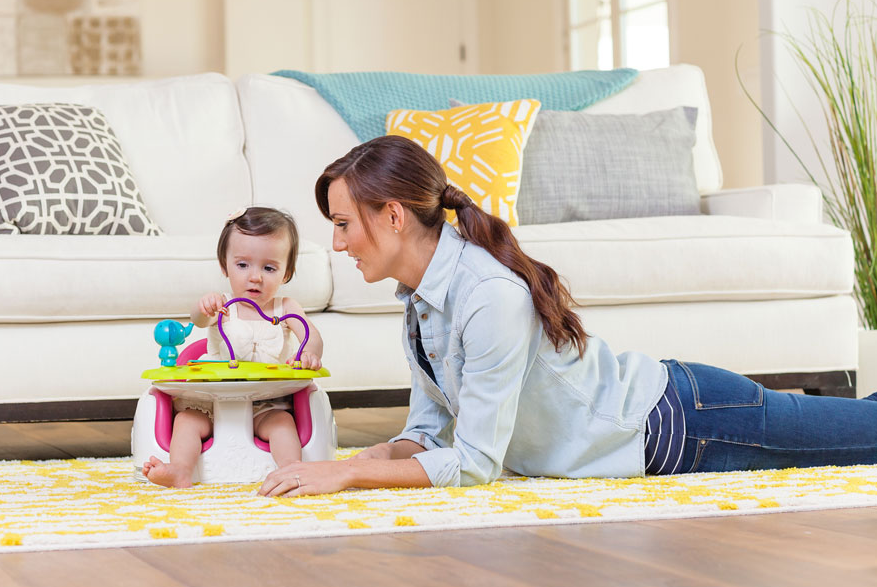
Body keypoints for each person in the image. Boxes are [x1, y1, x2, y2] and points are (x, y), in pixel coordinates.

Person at [258, 135, 877, 497]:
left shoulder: (487, 296)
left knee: (864, 437)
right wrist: (366, 459)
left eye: (343, 225)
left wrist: (347, 477)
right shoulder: (420, 303)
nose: (337, 244)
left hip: (682, 423)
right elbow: (430, 430)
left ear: (393, 216)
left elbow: (475, 464)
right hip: (673, 412)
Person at [144, 206, 324, 488]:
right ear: (224, 264)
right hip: (211, 402)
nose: (255, 277)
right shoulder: (222, 304)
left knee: (282, 424)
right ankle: (180, 470)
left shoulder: (286, 307)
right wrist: (204, 308)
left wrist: (311, 352)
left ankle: (292, 470)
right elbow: (198, 319)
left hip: (265, 401)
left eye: (269, 267)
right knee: (187, 421)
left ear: (286, 272)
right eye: (243, 265)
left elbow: (311, 336)